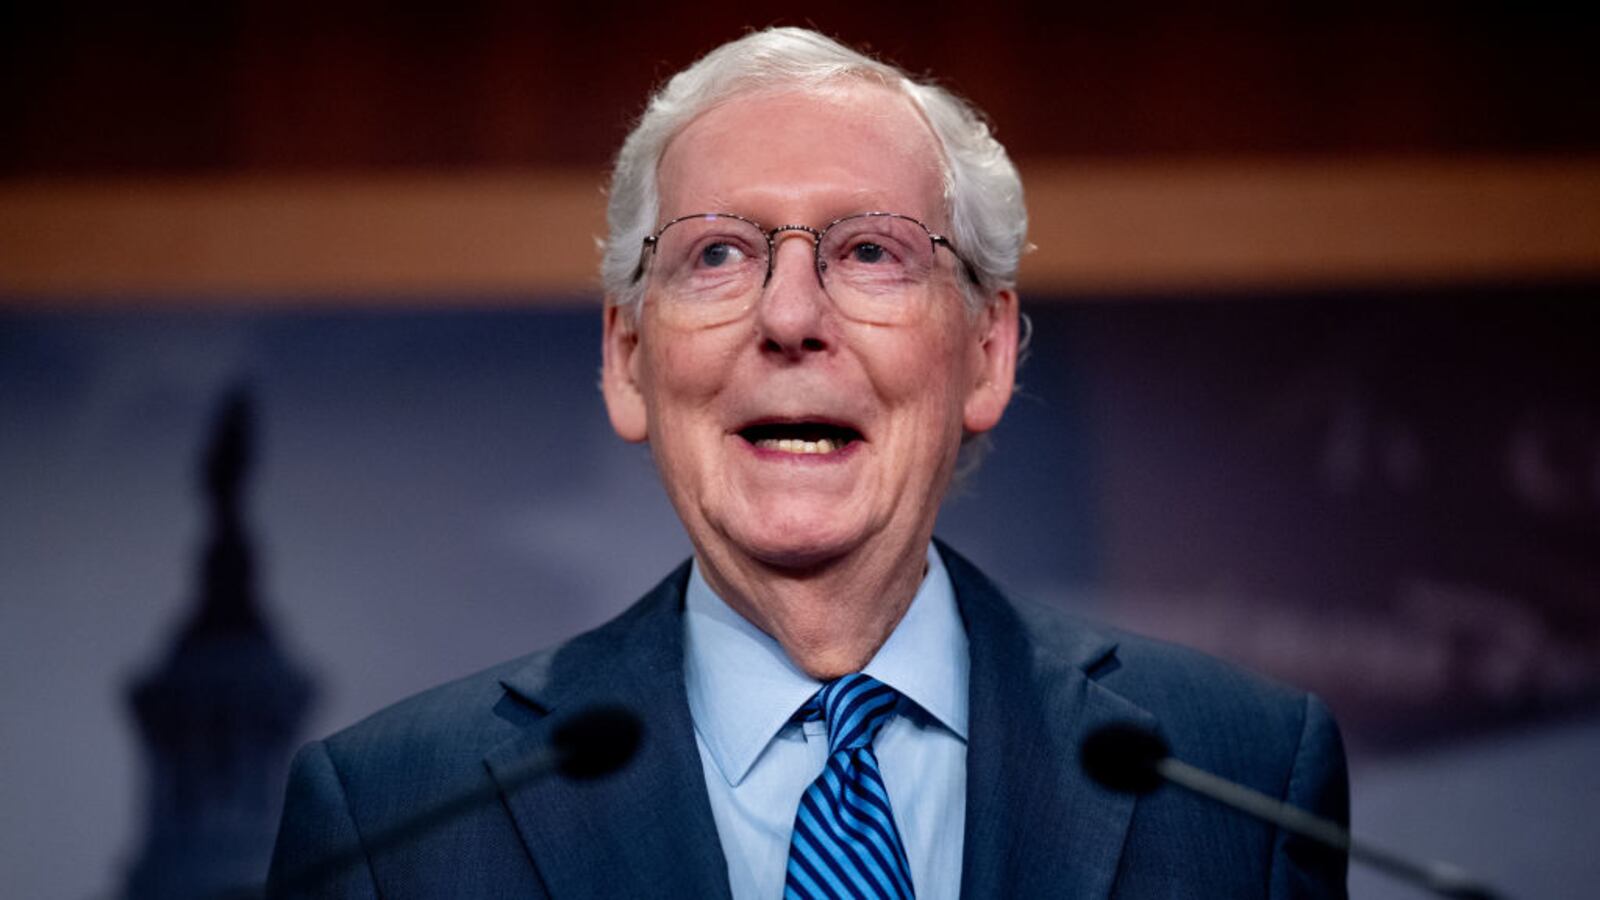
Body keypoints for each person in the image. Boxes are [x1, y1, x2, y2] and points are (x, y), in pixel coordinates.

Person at [267, 27, 1348, 899]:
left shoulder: (1234, 776)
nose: (790, 317)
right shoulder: (396, 820)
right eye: (718, 254)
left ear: (986, 351)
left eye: (870, 252)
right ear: (627, 358)